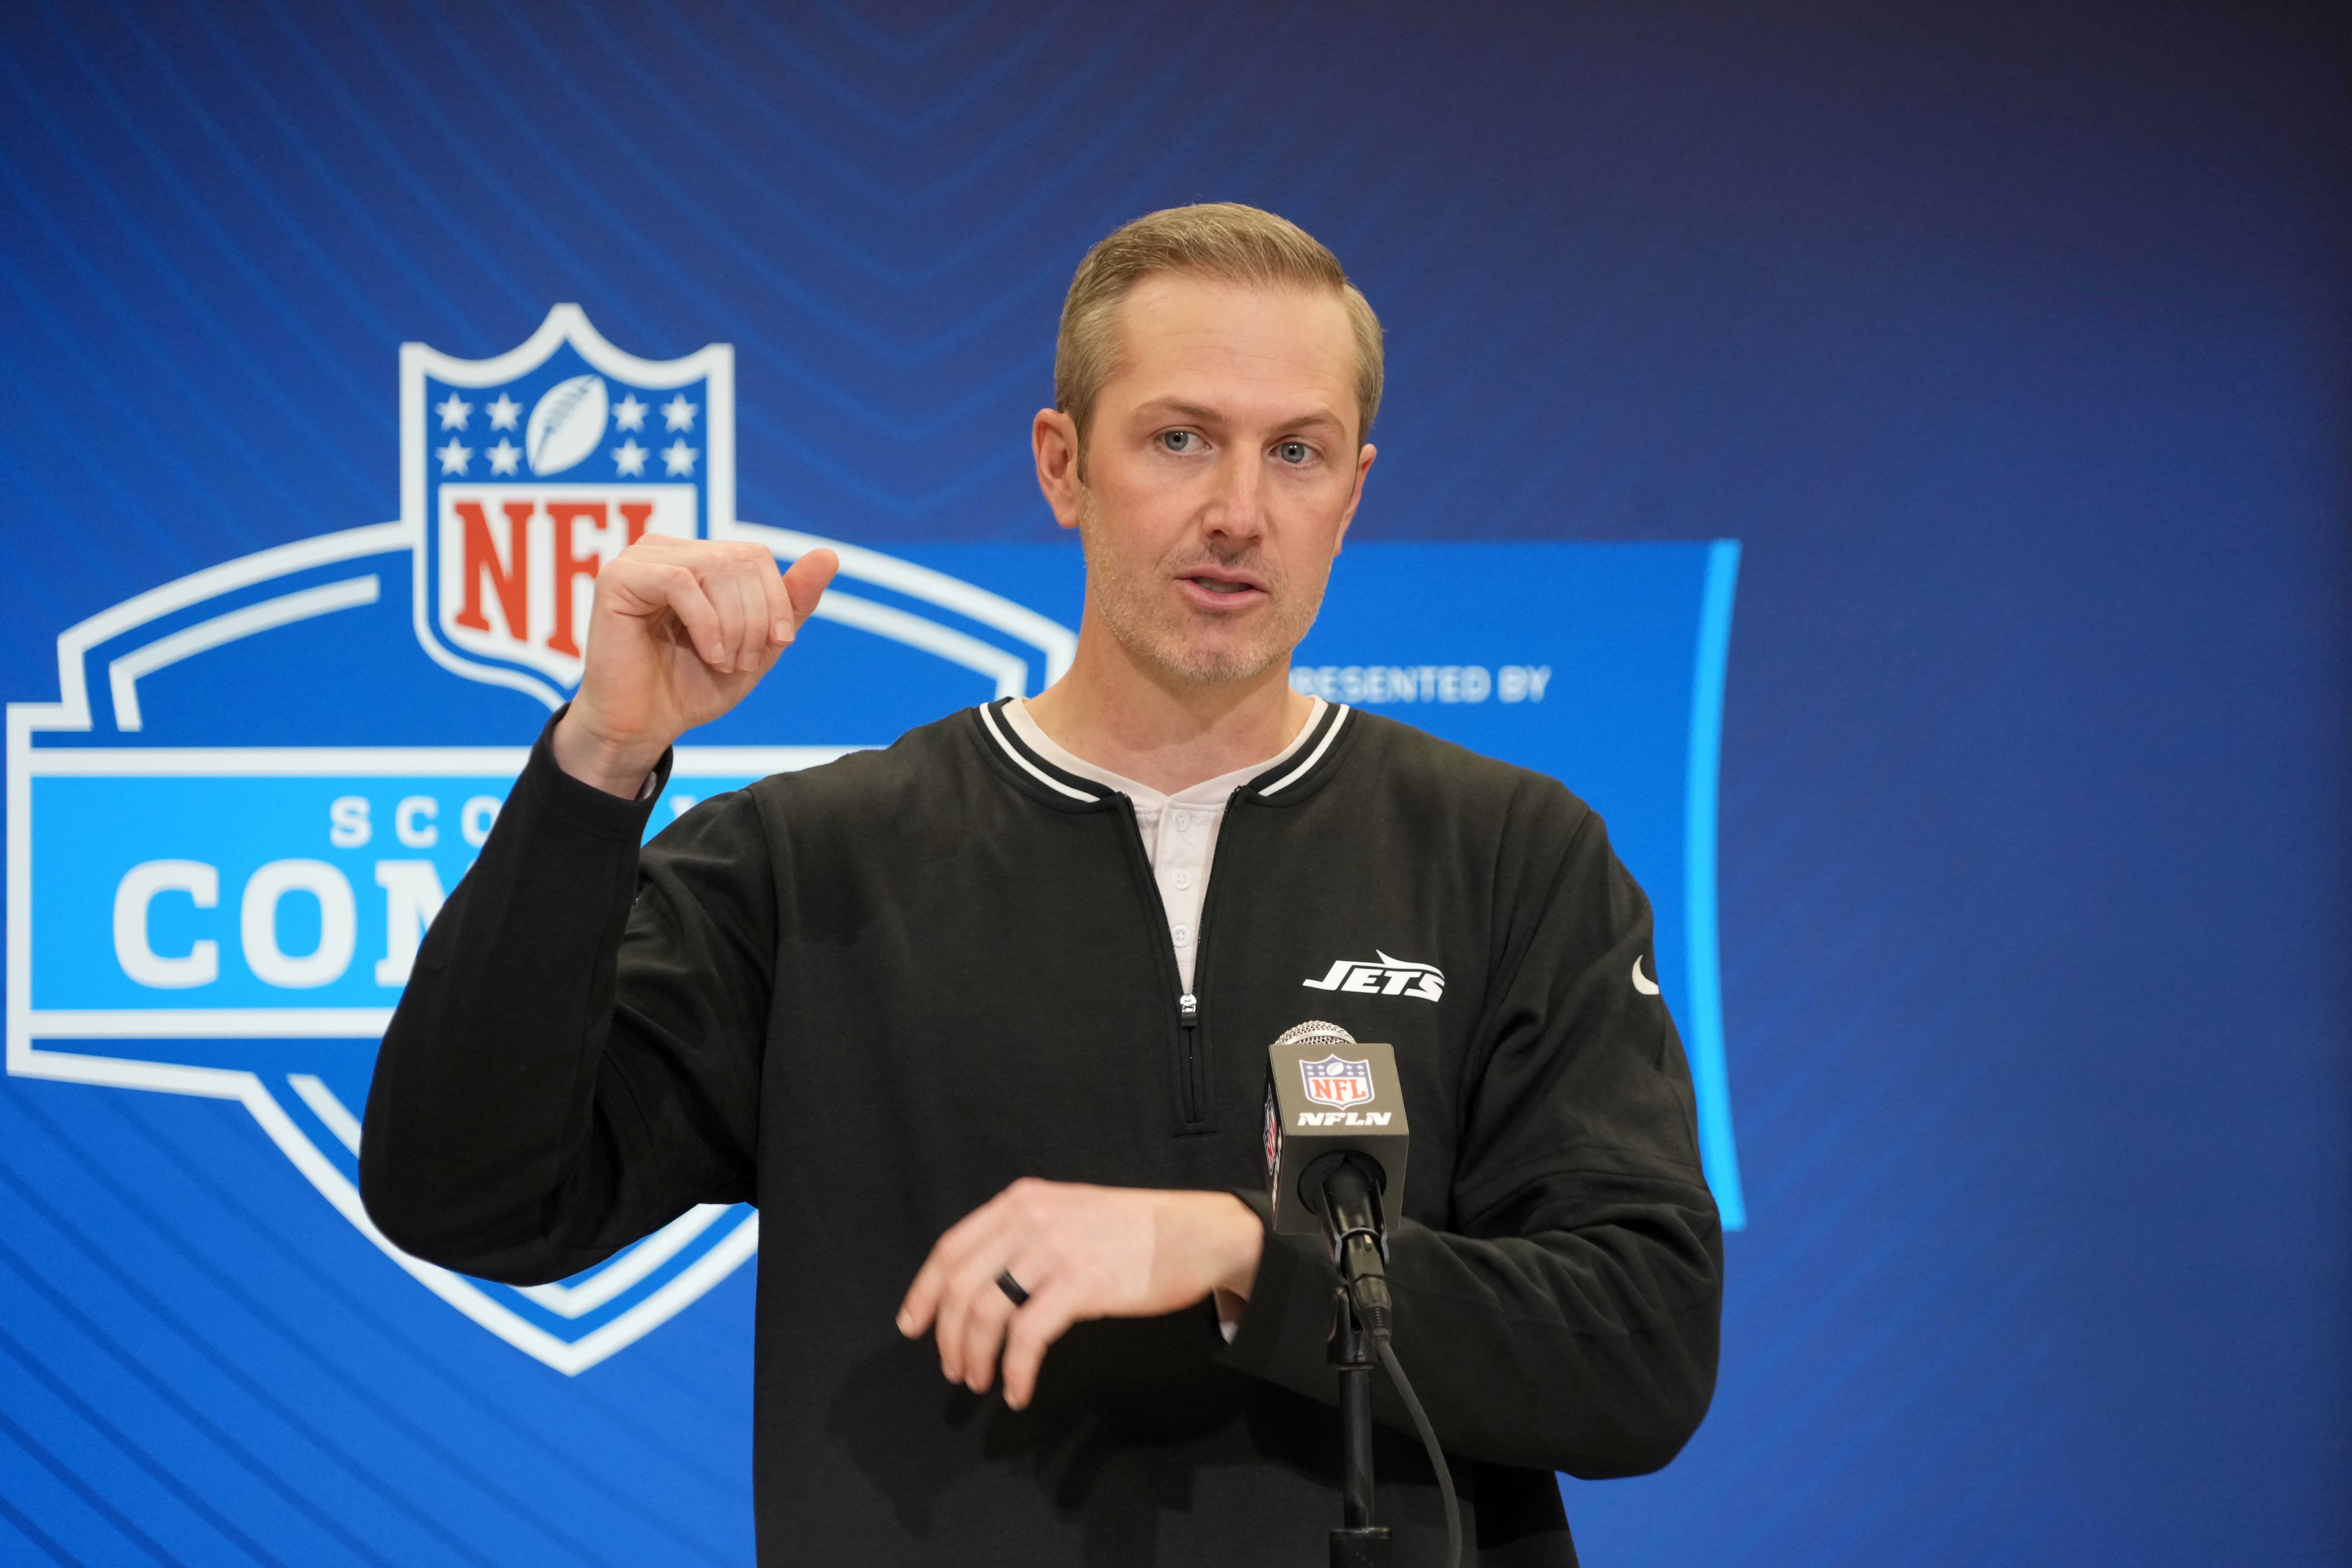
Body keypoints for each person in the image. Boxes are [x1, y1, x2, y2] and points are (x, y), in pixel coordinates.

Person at [361, 203, 1721, 1566]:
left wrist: (1248, 1258)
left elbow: (1642, 1349)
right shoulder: (812, 861)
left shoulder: (1509, 855)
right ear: (1063, 464)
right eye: (1180, 439)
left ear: (1353, 491)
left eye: (1295, 453)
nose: (1238, 513)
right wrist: (603, 756)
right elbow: (468, 1195)